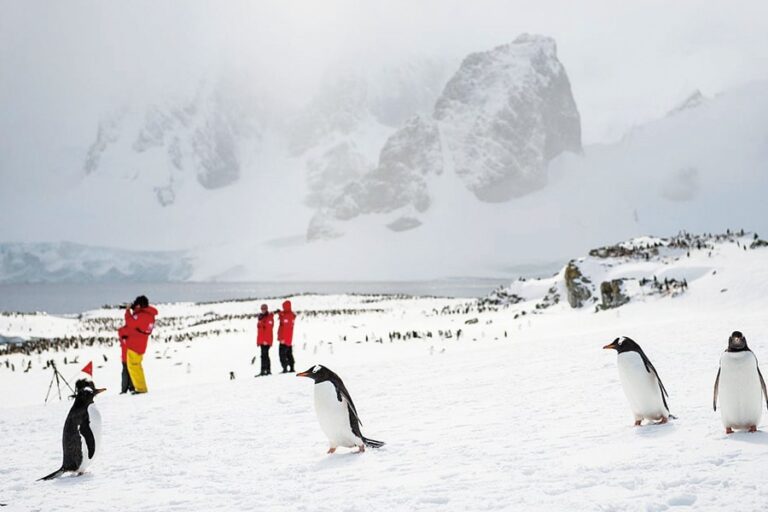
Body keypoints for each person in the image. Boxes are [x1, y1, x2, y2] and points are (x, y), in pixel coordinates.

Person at [117, 295, 158, 394]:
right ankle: (139, 387)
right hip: (140, 345)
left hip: (134, 345)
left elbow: (130, 322)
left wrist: (128, 311)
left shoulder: (142, 316)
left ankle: (141, 389)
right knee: (136, 367)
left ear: (139, 305)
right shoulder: (149, 315)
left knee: (134, 367)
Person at [276, 300, 296, 373]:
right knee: (289, 354)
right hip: (289, 339)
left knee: (282, 355)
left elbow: (285, 329)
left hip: (284, 339)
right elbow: (283, 317)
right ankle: (291, 367)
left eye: (284, 306)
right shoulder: (290, 315)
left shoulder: (287, 316)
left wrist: (282, 339)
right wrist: (280, 313)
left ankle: (285, 368)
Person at [256, 304, 274, 376]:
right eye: (262, 309)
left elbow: (268, 330)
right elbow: (260, 331)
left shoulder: (269, 318)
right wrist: (259, 341)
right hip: (262, 340)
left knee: (264, 355)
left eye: (264, 309)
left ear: (267, 309)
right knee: (264, 355)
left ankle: (265, 370)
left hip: (266, 341)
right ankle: (266, 370)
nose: (263, 310)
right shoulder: (260, 318)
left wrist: (266, 340)